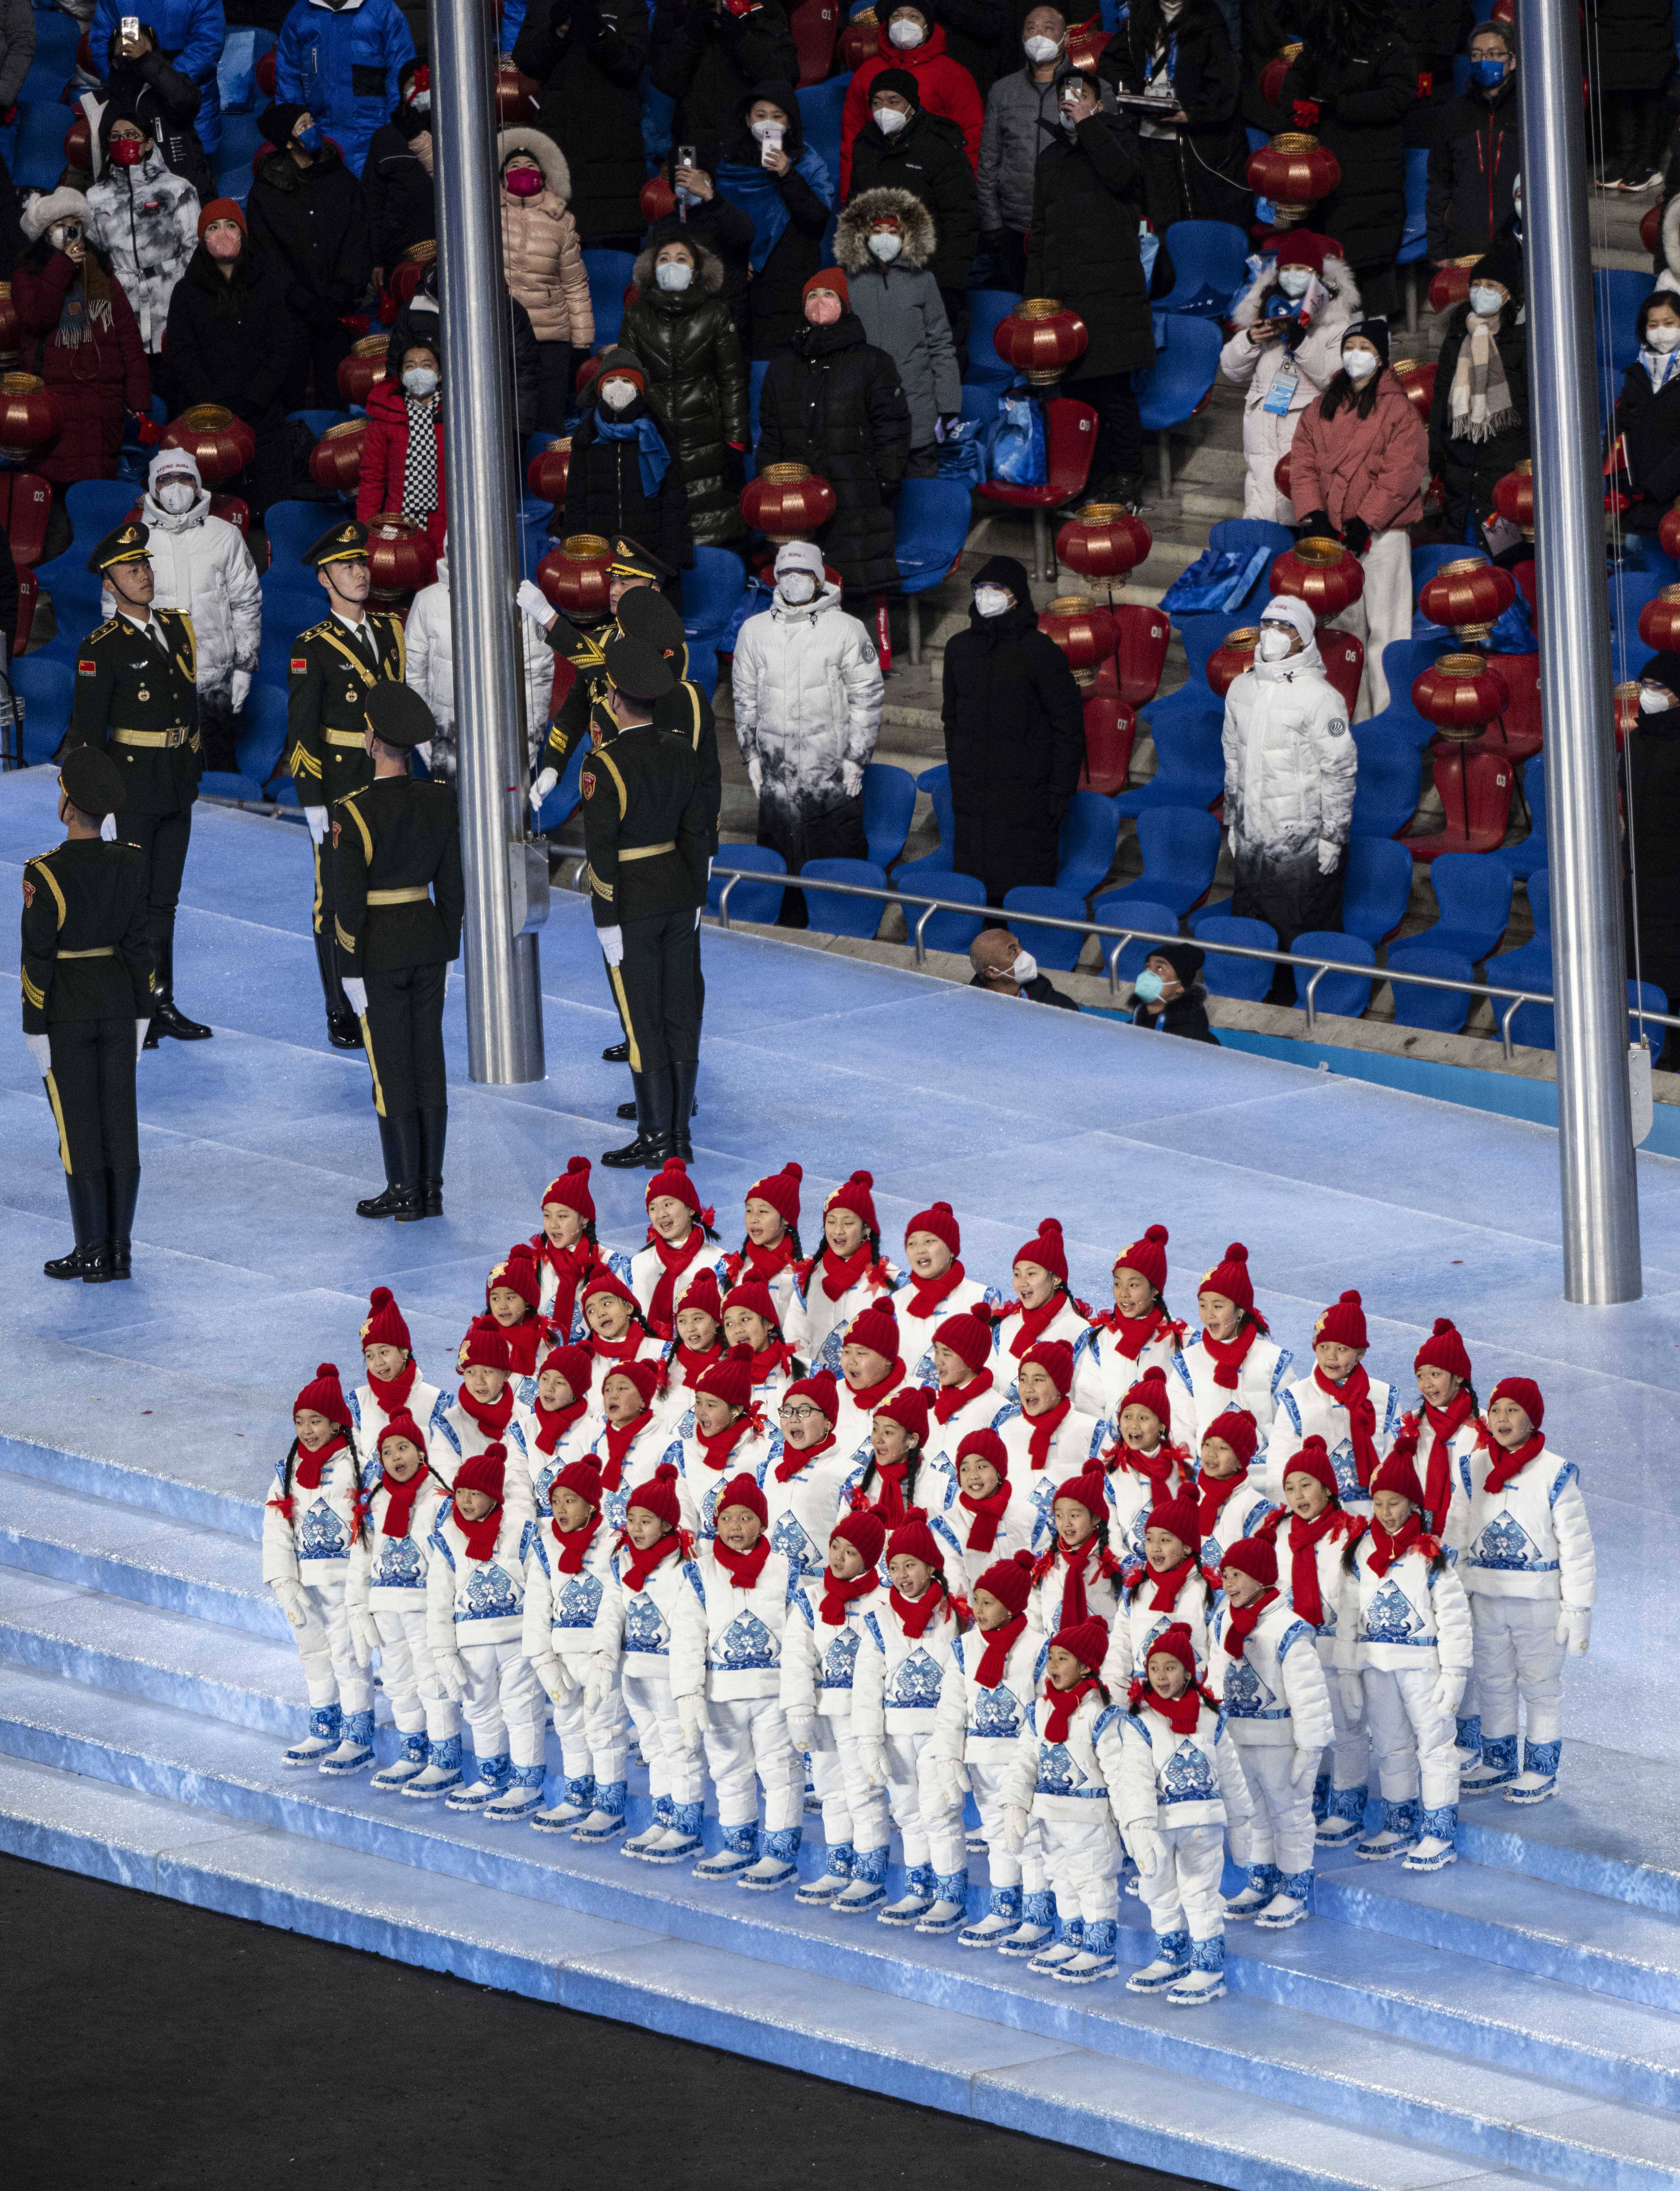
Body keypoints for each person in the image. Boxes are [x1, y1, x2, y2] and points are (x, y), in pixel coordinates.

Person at [67, 522, 210, 1050]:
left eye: (145, 565)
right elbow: (86, 735)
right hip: (131, 787)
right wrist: (92, 805)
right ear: (110, 584)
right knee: (131, 900)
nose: (144, 575)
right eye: (131, 569)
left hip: (176, 782)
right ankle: (133, 1003)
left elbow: (189, 708)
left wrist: (194, 769)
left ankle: (161, 1002)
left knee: (164, 900)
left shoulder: (177, 627)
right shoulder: (100, 647)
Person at [332, 680, 464, 1224]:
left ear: (371, 741)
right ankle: (429, 1187)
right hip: (428, 940)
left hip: (380, 950)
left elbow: (347, 902)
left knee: (391, 1071)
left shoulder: (353, 812)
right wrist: (447, 944)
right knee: (428, 1063)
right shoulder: (439, 798)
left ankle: (402, 1186)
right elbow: (453, 885)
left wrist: (349, 967)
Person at [21, 745, 152, 1284]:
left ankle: (90, 1249)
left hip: (68, 1013)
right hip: (120, 1007)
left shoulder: (44, 873)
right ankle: (118, 1251)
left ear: (69, 806)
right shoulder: (132, 861)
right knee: (121, 1128)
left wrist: (34, 1026)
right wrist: (143, 1012)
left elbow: (38, 957)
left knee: (79, 1131)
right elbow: (142, 946)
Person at [582, 634, 714, 1169]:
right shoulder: (681, 748)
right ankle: (678, 1134)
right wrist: (697, 895)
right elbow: (696, 829)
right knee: (680, 1014)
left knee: (642, 1022)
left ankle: (654, 1135)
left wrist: (605, 918)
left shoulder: (604, 763)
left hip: (632, 903)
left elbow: (602, 852)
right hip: (680, 896)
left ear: (615, 700)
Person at [1447, 1376, 1594, 1804]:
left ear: (1533, 1417)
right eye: (1496, 1410)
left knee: (1540, 1683)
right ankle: (1498, 1759)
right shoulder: (1474, 1469)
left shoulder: (1555, 1473)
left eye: (1514, 1409)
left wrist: (1578, 1608)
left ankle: (1542, 1768)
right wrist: (1454, 1595)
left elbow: (1578, 1547)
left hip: (1539, 1604)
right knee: (1493, 1681)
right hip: (1486, 1598)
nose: (1503, 1418)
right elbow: (1456, 1535)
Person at [286, 519, 406, 1048]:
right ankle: (339, 1005)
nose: (358, 573)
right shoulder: (311, 646)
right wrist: (312, 800)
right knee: (335, 898)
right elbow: (301, 731)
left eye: (360, 563)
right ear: (323, 579)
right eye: (345, 566)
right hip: (340, 781)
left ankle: (376, 990)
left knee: (387, 888)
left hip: (389, 776)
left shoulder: (391, 630)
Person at [1336, 1450, 1472, 1868]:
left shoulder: (1432, 1556)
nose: (1386, 1512)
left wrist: (1454, 1672)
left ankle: (1438, 1832)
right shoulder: (1360, 1552)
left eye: (1395, 1502)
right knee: (1392, 1746)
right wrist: (1347, 1670)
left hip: (1422, 1669)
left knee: (1434, 1745)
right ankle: (1400, 1822)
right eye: (1379, 1502)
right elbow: (1347, 1617)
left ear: (1414, 1503)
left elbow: (1454, 1619)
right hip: (1377, 1665)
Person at [1026, 68, 1154, 508]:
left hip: (1114, 292)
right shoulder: (1050, 159)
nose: (1069, 102)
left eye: (1080, 96)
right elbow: (1040, 233)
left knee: (1114, 394)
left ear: (1099, 105)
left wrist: (1088, 124)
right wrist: (1036, 303)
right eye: (1065, 96)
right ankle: (1088, 476)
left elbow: (1122, 178)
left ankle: (1127, 478)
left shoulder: (1120, 138)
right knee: (1077, 394)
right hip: (1067, 298)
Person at [1288, 320, 1427, 718]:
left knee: (1388, 633)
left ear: (1381, 356)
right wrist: (1314, 516)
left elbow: (1402, 472)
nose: (1356, 354)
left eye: (1365, 346)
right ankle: (1351, 721)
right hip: (1334, 539)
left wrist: (1366, 522)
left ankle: (1386, 725)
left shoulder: (1400, 410)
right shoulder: (1321, 405)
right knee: (1346, 635)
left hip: (1383, 536)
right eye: (1351, 345)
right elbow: (1303, 464)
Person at [730, 539, 884, 894]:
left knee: (837, 864)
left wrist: (856, 760)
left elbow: (867, 699)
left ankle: (844, 925)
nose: (792, 580)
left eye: (802, 572)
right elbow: (745, 699)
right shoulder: (754, 631)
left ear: (817, 579)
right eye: (785, 572)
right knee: (780, 864)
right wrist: (751, 755)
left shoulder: (847, 629)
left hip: (831, 775)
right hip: (776, 775)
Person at [1110, 1620, 1253, 2001]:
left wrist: (1240, 1821)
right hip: (1159, 1824)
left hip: (1203, 1824)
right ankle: (1171, 1953)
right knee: (1159, 1889)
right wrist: (1138, 1827)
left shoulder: (1210, 1718)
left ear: (1189, 1672)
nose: (1161, 1675)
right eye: (1154, 1667)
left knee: (1201, 1892)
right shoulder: (1141, 1722)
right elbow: (1135, 1777)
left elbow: (1231, 1773)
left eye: (1170, 1667)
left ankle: (1208, 1966)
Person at [755, 269, 911, 611]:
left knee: (858, 592)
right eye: (812, 296)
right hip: (798, 503)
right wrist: (773, 484)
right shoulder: (782, 366)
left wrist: (884, 480)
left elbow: (893, 428)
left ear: (844, 303)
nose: (819, 302)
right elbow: (770, 432)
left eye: (828, 294)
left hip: (859, 498)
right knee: (802, 592)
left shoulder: (873, 362)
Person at [851, 1512, 970, 1932]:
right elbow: (866, 1684)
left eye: (911, 1565)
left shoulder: (955, 1618)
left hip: (940, 1734)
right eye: (895, 1566)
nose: (902, 1575)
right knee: (907, 1812)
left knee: (940, 1813)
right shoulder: (879, 1620)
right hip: (896, 1733)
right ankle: (919, 1888)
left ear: (931, 1566)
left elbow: (963, 1678)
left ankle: (950, 1896)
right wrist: (868, 1739)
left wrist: (957, 1737)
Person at [942, 556, 1085, 904]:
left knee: (1022, 899)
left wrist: (1059, 792)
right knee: (974, 901)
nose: (985, 596)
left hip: (1027, 802)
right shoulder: (958, 649)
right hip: (974, 800)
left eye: (996, 589)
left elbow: (1068, 727)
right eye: (979, 589)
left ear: (1016, 596)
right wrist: (960, 777)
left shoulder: (1041, 652)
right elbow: (952, 721)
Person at [588, 1458, 710, 1862]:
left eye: (647, 1520)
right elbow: (611, 1612)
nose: (637, 1528)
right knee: (655, 1750)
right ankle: (664, 1816)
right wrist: (605, 1659)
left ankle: (686, 1825)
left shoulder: (683, 1569)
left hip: (669, 1680)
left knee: (681, 1751)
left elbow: (690, 1631)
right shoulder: (623, 1564)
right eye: (632, 1519)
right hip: (635, 1677)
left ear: (668, 1525)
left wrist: (688, 1689)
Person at [1209, 1534, 1334, 1930]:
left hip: (1280, 1742)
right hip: (1238, 1739)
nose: (1228, 1583)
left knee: (1290, 1813)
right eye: (1225, 1574)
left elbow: (1310, 1695)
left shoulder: (1288, 1628)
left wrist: (1310, 1749)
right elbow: (1215, 1677)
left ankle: (1295, 1886)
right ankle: (1261, 1878)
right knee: (1255, 1813)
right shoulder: (1223, 1619)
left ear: (1261, 1578)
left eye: (1237, 1575)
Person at [686, 1472, 805, 1888]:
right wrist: (689, 1695)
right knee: (729, 1769)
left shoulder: (786, 1570)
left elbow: (798, 1638)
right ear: (715, 1524)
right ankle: (738, 1843)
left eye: (746, 1517)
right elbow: (688, 1635)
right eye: (727, 1518)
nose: (736, 1527)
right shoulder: (701, 1573)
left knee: (780, 1770)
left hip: (773, 1693)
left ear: (763, 1521)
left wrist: (798, 1694)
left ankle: (779, 1853)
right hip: (721, 1695)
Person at [1220, 592, 1357, 952]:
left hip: (1302, 846)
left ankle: (1304, 1005)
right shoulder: (1240, 688)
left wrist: (1333, 836)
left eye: (1284, 626)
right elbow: (1233, 760)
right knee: (1250, 936)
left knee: (1299, 936)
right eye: (1267, 625)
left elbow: (1341, 770)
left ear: (1304, 637)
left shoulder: (1323, 698)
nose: (1272, 633)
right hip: (1253, 841)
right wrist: (1233, 823)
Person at [926, 1548, 1047, 1949]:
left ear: (1012, 1605)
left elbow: (1045, 1706)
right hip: (982, 1759)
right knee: (997, 1835)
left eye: (988, 1602)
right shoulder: (964, 1647)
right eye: (976, 1599)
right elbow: (951, 1708)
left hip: (1022, 1761)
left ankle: (1037, 1917)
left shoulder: (1039, 1648)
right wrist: (949, 1755)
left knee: (1028, 1837)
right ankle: (1004, 1906)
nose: (977, 1608)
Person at [113, 447, 261, 775]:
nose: (176, 488)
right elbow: (115, 609)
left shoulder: (226, 536)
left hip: (215, 684)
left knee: (217, 772)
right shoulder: (134, 539)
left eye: (184, 478)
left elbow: (246, 603)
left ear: (196, 484)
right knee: (160, 775)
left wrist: (244, 668)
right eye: (166, 480)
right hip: (155, 681)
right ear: (153, 486)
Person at [996, 1612, 1126, 1983]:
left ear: (1087, 1666)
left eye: (1063, 1658)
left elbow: (1119, 1774)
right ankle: (1073, 1937)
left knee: (1092, 1880)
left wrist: (1130, 1822)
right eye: (1051, 1657)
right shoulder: (1040, 1710)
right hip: (1052, 1817)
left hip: (1090, 1821)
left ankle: (1099, 1948)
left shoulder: (1102, 1715)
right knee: (1061, 1878)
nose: (1052, 1665)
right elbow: (1024, 1760)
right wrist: (1015, 1804)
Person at [264, 1362, 379, 1775]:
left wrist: (363, 1581)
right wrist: (283, 1578)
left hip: (346, 1581)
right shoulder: (290, 1467)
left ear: (337, 1423)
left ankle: (357, 1735)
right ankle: (324, 1725)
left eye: (317, 1420)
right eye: (300, 1421)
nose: (308, 1429)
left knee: (349, 1654)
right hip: (305, 1584)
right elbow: (276, 1524)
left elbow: (370, 1519)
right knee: (313, 1652)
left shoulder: (359, 1460)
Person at [426, 1441, 550, 1820]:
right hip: (472, 1644)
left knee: (521, 1707)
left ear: (495, 1496)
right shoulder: (448, 1536)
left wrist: (537, 1641)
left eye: (475, 1493)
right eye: (460, 1491)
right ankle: (492, 1775)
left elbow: (539, 1588)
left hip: (516, 1640)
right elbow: (438, 1599)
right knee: (479, 1708)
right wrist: (444, 1651)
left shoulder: (521, 1531)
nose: (465, 1500)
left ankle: (527, 1783)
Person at [1272, 0, 1416, 318]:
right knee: (1326, 253)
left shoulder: (1390, 44)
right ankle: (1327, 332)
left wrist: (1335, 105)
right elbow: (1293, 88)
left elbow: (1397, 98)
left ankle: (1374, 337)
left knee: (1371, 257)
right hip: (1324, 169)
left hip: (1373, 169)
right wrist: (1301, 107)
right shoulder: (1321, 41)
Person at [782, 1509, 894, 1914]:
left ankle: (869, 1871)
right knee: (831, 1789)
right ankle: (839, 1862)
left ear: (870, 1557)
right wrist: (799, 1707)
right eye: (835, 1548)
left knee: (863, 1790)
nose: (839, 1558)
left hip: (863, 1716)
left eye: (851, 1552)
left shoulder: (884, 1601)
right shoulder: (813, 1598)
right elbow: (797, 1655)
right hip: (825, 1712)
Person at [1262, 1435, 1367, 1849]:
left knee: (1347, 1726)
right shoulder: (1277, 1531)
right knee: (1304, 1729)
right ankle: (1315, 1798)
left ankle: (1348, 1806)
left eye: (1307, 1484)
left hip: (1336, 1647)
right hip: (1294, 1651)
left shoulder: (1350, 1532)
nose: (1298, 1495)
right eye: (1290, 1487)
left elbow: (1355, 1596)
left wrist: (1349, 1657)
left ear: (1327, 1487)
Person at [346, 1412, 459, 1796]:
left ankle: (445, 1759)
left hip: (424, 1607)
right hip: (385, 1606)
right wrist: (358, 1607)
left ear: (421, 1452)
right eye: (388, 1450)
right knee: (397, 1679)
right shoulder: (375, 1500)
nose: (396, 1456)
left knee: (431, 1679)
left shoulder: (439, 1499)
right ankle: (413, 1749)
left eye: (404, 1447)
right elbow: (362, 1557)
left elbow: (447, 1561)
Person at [163, 199, 300, 516]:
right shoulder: (185, 292)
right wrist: (215, 405)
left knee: (269, 511)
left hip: (262, 417)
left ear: (243, 234)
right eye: (213, 227)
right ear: (202, 238)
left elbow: (282, 348)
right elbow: (182, 354)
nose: (222, 233)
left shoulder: (268, 285)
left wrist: (253, 399)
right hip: (206, 421)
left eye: (230, 226)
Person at [521, 1454, 633, 1836]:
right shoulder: (545, 1545)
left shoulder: (614, 1543)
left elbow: (617, 1599)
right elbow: (537, 1605)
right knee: (569, 1724)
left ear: (591, 1503)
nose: (561, 1509)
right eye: (555, 1501)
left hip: (601, 1655)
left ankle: (609, 1806)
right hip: (562, 1654)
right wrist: (543, 1659)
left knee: (605, 1727)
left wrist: (605, 1655)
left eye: (571, 1500)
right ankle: (577, 1794)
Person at [1219, 230, 1362, 525]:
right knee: (1262, 506)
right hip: (1262, 427)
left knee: (1305, 513)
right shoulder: (1264, 311)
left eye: (1302, 270)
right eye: (1286, 270)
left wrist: (1300, 342)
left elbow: (1332, 378)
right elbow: (1231, 371)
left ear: (1317, 276)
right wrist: (1250, 339)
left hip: (1306, 427)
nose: (1292, 276)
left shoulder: (1335, 324)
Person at [13, 190, 150, 490]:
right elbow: (38, 317)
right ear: (45, 234)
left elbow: (127, 333)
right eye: (60, 224)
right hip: (53, 398)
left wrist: (138, 395)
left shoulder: (102, 274)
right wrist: (62, 266)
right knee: (54, 485)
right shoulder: (28, 277)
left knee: (98, 486)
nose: (69, 229)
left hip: (104, 400)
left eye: (74, 222)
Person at [622, 225, 749, 548]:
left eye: (682, 258)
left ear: (695, 272)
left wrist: (735, 441)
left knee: (713, 527)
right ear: (653, 270)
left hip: (707, 432)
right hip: (655, 433)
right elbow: (628, 381)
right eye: (663, 259)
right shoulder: (636, 317)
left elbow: (732, 381)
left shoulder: (716, 314)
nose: (672, 265)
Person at [247, 100, 373, 409]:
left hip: (338, 311)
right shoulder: (265, 193)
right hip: (290, 314)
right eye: (303, 126)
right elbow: (268, 255)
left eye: (312, 122)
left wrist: (339, 294)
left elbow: (357, 241)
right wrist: (302, 299)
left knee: (337, 395)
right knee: (289, 396)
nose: (313, 129)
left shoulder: (343, 182)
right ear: (288, 143)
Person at [845, 73, 979, 363]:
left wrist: (950, 279)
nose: (885, 109)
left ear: (912, 105)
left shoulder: (939, 144)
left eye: (894, 101)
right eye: (877, 102)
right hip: (877, 270)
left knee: (939, 355)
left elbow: (961, 214)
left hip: (930, 270)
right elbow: (854, 209)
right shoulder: (865, 143)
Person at [404, 537, 554, 780]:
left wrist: (530, 739)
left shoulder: (519, 601)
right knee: (449, 814)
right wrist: (424, 733)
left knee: (506, 815)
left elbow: (538, 674)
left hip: (505, 741)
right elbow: (415, 673)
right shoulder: (427, 601)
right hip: (445, 743)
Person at [1098, 0, 1253, 235]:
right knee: (1160, 225)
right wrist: (1126, 89)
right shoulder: (1141, 15)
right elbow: (1114, 63)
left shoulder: (1208, 17)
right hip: (1149, 136)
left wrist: (1191, 114)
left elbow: (1224, 84)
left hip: (1196, 144)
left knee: (1200, 221)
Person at [835, 190, 963, 473]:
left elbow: (940, 344)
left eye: (893, 230)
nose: (884, 237)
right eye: (877, 229)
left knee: (921, 490)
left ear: (907, 236)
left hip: (917, 406)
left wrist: (948, 403)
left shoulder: (924, 281)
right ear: (862, 234)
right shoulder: (844, 282)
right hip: (862, 408)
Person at [714, 82, 835, 364]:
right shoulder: (729, 165)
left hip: (789, 283)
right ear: (748, 120)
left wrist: (787, 174)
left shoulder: (807, 162)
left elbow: (817, 220)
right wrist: (732, 261)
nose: (768, 122)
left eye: (777, 116)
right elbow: (717, 224)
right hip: (742, 285)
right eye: (760, 115)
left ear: (790, 123)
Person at [514, 0, 650, 250]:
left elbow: (632, 64)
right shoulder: (546, 4)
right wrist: (558, 31)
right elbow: (526, 61)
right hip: (561, 141)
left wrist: (597, 29)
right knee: (561, 251)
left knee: (616, 251)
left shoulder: (630, 4)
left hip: (615, 147)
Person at [86, 98, 200, 375]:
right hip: (124, 307)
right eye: (115, 137)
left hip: (171, 301)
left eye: (130, 136)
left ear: (148, 143)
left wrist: (180, 290)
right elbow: (94, 257)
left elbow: (194, 247)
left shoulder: (176, 188)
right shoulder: (95, 197)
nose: (122, 141)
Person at [1429, 239, 1529, 554]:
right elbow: (1440, 402)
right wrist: (1439, 458)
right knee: (1463, 556)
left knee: (1502, 560)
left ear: (1508, 294)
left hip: (1502, 464)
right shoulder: (1457, 337)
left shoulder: (1522, 344)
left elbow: (1528, 410)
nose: (1480, 292)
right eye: (1476, 285)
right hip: (1460, 463)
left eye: (1490, 285)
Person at [498, 129, 594, 438]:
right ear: (500, 178)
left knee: (547, 423)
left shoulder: (561, 221)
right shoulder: (484, 214)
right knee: (506, 423)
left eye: (529, 165)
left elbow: (575, 285)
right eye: (513, 167)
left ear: (543, 174)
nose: (521, 170)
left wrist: (581, 343)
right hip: (500, 333)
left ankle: (543, 484)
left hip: (550, 337)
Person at [1266, 1288, 1396, 1515]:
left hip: (1372, 1517)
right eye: (1323, 1347)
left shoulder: (1383, 1396)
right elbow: (1279, 1466)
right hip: (1316, 1517)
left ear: (1361, 1353)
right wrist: (1285, 1517)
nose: (1331, 1356)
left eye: (1342, 1349)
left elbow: (1395, 1460)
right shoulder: (1296, 1398)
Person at [565, 349, 693, 578]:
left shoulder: (658, 433)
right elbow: (576, 502)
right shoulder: (586, 436)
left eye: (626, 381)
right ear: (600, 387)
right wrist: (580, 553)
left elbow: (674, 501)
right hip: (599, 557)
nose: (618, 387)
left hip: (651, 557)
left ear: (638, 389)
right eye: (611, 381)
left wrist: (669, 559)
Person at [838, 3, 985, 197]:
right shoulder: (866, 73)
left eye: (914, 17)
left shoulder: (953, 74)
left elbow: (972, 135)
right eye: (896, 16)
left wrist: (964, 190)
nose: (904, 23)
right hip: (875, 185)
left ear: (927, 27)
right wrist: (847, 195)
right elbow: (851, 137)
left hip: (933, 186)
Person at [978, 5, 1068, 292]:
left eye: (1048, 28)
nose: (1037, 35)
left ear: (1065, 37)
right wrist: (991, 221)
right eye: (1030, 28)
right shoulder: (1002, 90)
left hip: (1068, 226)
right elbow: (988, 160)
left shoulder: (1091, 88)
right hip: (1014, 226)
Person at [91, 1, 220, 195]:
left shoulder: (173, 84)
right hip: (128, 93)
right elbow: (101, 42)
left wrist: (160, 74)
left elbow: (208, 42)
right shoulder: (112, 100)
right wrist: (123, 74)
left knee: (191, 175)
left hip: (186, 101)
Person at [274, 0, 415, 176]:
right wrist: (302, 140)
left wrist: (394, 138)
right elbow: (288, 81)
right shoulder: (300, 16)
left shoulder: (383, 11)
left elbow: (402, 79)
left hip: (374, 142)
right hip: (318, 147)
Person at [1621, 649, 1680, 1061]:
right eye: (1645, 686)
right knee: (1638, 972)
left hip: (1675, 883)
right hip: (1639, 877)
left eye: (1658, 687)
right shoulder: (1636, 740)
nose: (1648, 694)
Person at [651, 0, 800, 159]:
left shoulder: (764, 8)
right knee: (686, 181)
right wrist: (692, 32)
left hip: (750, 144)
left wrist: (739, 34)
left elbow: (784, 79)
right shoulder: (677, 9)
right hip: (692, 144)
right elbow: (665, 82)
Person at [784, 1171, 900, 1373]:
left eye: (848, 1223)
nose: (838, 1231)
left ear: (867, 1228)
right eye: (831, 1222)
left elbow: (899, 1347)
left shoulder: (891, 1282)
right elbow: (795, 1340)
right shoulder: (808, 1277)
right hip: (816, 1391)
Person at [1425, 23, 1520, 263]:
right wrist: (1438, 250)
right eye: (1477, 55)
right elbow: (1438, 184)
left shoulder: (1529, 110)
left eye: (1494, 54)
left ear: (1512, 61)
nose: (1484, 61)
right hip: (1464, 246)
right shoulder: (1453, 113)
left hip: (1519, 244)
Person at [1181, 1242, 1291, 1439]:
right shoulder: (1188, 1362)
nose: (1208, 1315)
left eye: (1218, 1306)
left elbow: (1288, 1428)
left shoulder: (1273, 1361)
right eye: (1203, 1305)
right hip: (1209, 1468)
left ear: (1240, 1310)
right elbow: (1182, 1430)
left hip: (1264, 1468)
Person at [356, 337, 445, 552]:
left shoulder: (457, 415)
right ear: (402, 377)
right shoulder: (384, 419)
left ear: (440, 375)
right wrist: (367, 530)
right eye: (410, 366)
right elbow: (372, 478)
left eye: (427, 365)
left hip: (448, 521)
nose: (418, 371)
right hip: (398, 519)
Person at [1586, 0, 1673, 193]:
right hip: (1612, 16)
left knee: (1650, 82)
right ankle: (1626, 157)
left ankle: (1648, 164)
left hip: (1649, 18)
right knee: (1618, 82)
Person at [1613, 300, 1680, 546]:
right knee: (1657, 579)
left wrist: (1653, 487)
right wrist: (1623, 484)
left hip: (1671, 499)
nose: (1660, 331)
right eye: (1653, 325)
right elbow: (1618, 432)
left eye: (1669, 323)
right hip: (1641, 504)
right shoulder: (1636, 374)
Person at [364, 59, 435, 288]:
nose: (421, 89)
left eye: (427, 83)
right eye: (413, 85)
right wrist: (376, 260)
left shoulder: (456, 128)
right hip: (401, 254)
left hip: (454, 245)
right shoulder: (385, 139)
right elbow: (373, 203)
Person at [967, 926, 1080, 1009]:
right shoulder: (972, 1010)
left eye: (1019, 946)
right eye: (1013, 951)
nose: (1024, 953)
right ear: (993, 973)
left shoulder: (1055, 1002)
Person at [1128, 942, 1219, 1042]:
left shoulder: (1198, 1042)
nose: (1148, 974)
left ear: (1180, 987)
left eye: (1159, 968)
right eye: (1147, 967)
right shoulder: (1128, 1029)